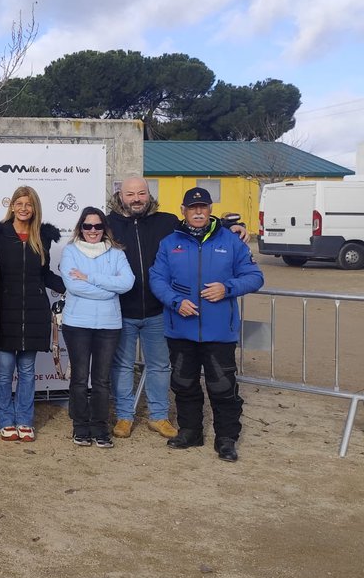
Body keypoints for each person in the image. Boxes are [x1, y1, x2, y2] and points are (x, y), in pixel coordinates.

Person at [107, 177, 248, 440]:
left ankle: (158, 417)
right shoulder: (109, 224)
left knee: (160, 366)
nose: (136, 198)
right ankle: (125, 417)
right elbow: (86, 234)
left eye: (141, 193)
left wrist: (235, 226)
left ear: (148, 195)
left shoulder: (168, 221)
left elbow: (202, 222)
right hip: (123, 309)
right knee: (124, 366)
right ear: (120, 196)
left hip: (160, 310)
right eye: (130, 194)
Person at [149, 187, 264, 462]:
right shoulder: (169, 243)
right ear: (183, 210)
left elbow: (255, 276)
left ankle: (226, 439)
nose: (198, 212)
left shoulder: (232, 241)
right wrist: (176, 302)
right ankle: (190, 432)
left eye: (203, 207)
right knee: (183, 383)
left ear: (210, 209)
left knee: (223, 387)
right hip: (180, 329)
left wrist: (228, 288)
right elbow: (157, 279)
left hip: (219, 331)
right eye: (192, 208)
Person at [0, 185, 66, 443]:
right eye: (19, 203)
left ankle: (24, 420)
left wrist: (74, 286)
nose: (24, 208)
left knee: (27, 370)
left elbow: (44, 275)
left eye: (29, 204)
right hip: (5, 310)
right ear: (11, 206)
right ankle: (4, 419)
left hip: (35, 312)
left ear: (35, 208)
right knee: (4, 370)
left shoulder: (42, 236)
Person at [60, 207, 134, 448]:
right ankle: (80, 426)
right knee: (80, 379)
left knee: (102, 380)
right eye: (88, 226)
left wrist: (90, 277)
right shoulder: (70, 251)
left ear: (104, 228)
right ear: (81, 228)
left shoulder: (116, 253)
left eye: (97, 226)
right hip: (77, 324)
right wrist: (108, 289)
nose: (93, 231)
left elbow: (127, 283)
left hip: (108, 325)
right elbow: (74, 286)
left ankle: (100, 426)